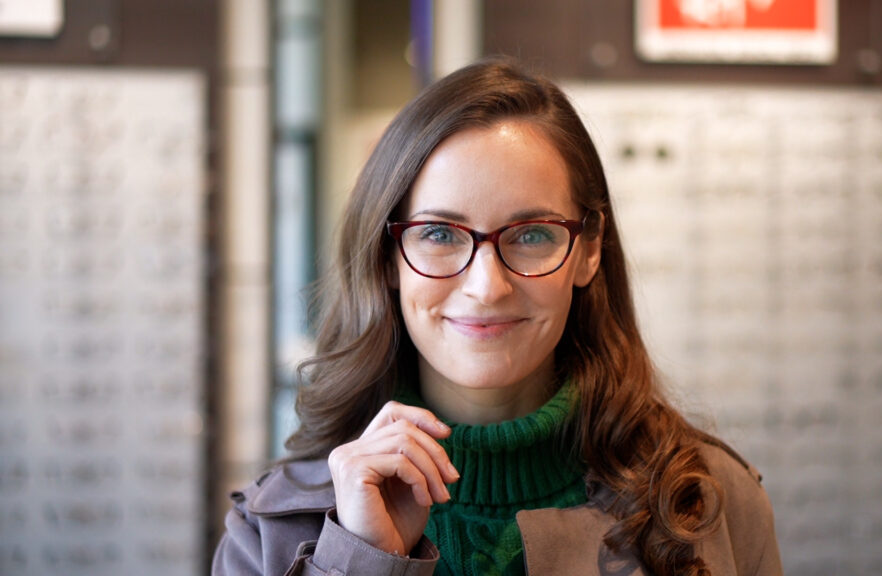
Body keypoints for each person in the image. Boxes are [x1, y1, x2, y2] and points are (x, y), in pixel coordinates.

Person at [213, 56, 782, 576]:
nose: (487, 287)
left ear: (587, 250)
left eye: (532, 234)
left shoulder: (709, 502)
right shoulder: (271, 531)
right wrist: (361, 561)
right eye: (438, 233)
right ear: (388, 257)